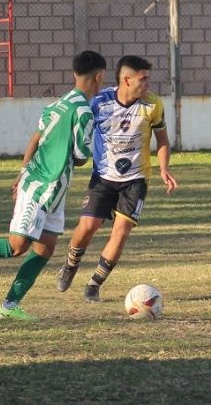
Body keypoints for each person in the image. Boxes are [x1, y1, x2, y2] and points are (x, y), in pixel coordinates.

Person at [0, 50, 107, 321]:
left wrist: (23, 169)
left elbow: (36, 137)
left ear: (75, 74)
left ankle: (10, 305)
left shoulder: (58, 104)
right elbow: (82, 157)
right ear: (99, 76)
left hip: (51, 188)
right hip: (42, 186)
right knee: (17, 246)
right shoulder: (83, 111)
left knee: (45, 248)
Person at [56, 55, 177, 302]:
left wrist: (164, 168)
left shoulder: (153, 105)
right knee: (87, 227)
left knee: (120, 233)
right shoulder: (98, 102)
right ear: (126, 80)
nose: (148, 85)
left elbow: (162, 141)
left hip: (136, 179)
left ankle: (94, 284)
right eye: (143, 80)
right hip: (103, 177)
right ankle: (70, 264)